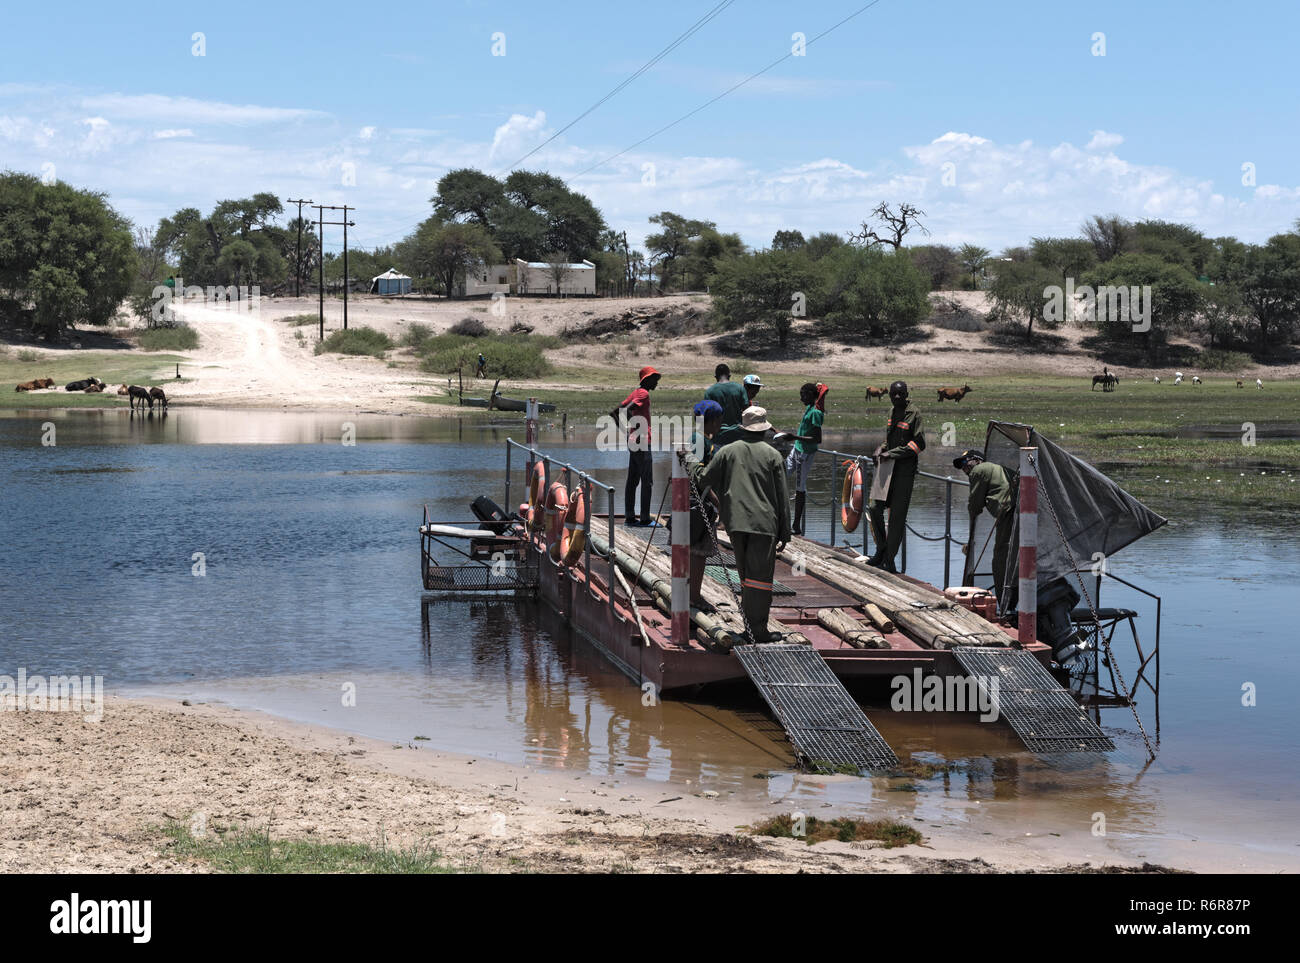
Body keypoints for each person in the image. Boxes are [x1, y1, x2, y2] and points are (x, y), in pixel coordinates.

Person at [688, 406, 790, 643]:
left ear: (743, 428)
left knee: (745, 577)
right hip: (764, 525)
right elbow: (782, 496)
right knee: (761, 580)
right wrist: (785, 532)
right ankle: (759, 630)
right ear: (764, 429)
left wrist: (691, 460)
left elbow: (703, 479)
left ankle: (750, 628)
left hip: (736, 524)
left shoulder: (727, 451)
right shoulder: (773, 455)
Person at [866, 380, 925, 572]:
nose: (897, 397)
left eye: (900, 394)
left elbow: (919, 444)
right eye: (894, 394)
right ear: (889, 395)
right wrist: (880, 448)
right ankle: (881, 548)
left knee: (897, 518)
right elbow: (889, 438)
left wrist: (892, 453)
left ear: (907, 394)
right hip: (887, 468)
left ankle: (889, 560)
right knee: (874, 507)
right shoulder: (892, 411)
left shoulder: (914, 413)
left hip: (904, 472)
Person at [954, 449, 1014, 600]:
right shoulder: (998, 469)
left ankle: (1005, 602)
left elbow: (975, 503)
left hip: (1008, 513)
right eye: (960, 465)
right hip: (1016, 513)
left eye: (964, 461)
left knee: (1000, 559)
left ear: (976, 460)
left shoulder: (979, 470)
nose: (963, 467)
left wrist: (973, 515)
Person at [684, 399, 723, 607]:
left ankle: (689, 590)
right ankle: (694, 596)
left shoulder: (696, 438)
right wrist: (716, 501)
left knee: (691, 549)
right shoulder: (701, 441)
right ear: (713, 421)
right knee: (699, 551)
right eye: (719, 420)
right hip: (700, 501)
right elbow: (698, 476)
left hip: (694, 499)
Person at [612, 365, 661, 526]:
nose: (657, 382)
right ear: (647, 379)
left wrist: (626, 431)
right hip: (642, 442)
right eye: (655, 378)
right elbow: (625, 410)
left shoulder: (636, 392)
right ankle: (645, 519)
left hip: (633, 441)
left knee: (632, 479)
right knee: (647, 481)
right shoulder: (644, 393)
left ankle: (630, 516)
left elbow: (614, 412)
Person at [785, 382, 828, 535]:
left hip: (805, 453)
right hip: (797, 449)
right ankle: (781, 518)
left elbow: (817, 438)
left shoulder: (815, 412)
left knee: (800, 488)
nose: (801, 398)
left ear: (811, 394)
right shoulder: (809, 408)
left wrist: (793, 436)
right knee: (780, 475)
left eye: (803, 395)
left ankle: (796, 525)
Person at [705, 363, 749, 447]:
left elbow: (707, 415)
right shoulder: (739, 388)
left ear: (716, 377)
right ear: (729, 376)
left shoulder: (710, 392)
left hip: (719, 434)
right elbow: (746, 411)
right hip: (738, 433)